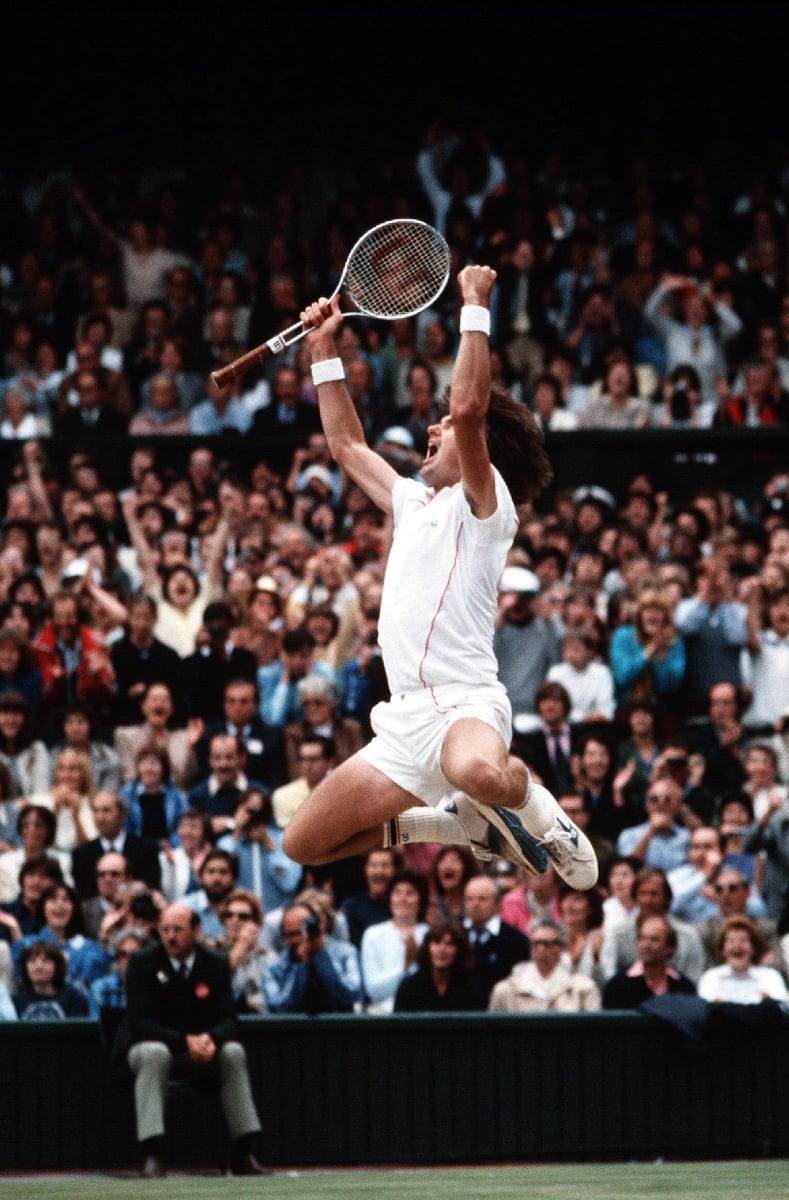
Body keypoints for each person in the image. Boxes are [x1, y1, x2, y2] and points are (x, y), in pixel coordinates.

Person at [282, 266, 597, 895]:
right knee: (304, 843)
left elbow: (468, 406)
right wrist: (323, 350)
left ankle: (536, 807)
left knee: (478, 771)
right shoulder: (410, 502)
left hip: (465, 705)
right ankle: (453, 826)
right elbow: (345, 445)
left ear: (483, 447)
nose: (433, 428)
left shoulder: (488, 503)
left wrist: (474, 304)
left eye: (443, 430)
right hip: (403, 721)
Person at [118, 903, 268, 1178]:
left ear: (196, 930)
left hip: (199, 1052)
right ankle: (151, 1153)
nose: (170, 937)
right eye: (164, 930)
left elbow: (230, 1020)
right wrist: (185, 1040)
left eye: (178, 929)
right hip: (150, 1048)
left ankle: (244, 1151)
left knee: (232, 1051)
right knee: (154, 1053)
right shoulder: (142, 962)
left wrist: (210, 1040)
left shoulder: (216, 964)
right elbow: (138, 1022)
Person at [261, 899, 361, 1014]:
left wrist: (321, 956)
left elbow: (350, 997)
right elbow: (281, 1009)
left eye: (302, 931)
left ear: (319, 927)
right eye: (292, 934)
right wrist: (302, 965)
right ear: (284, 935)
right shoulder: (274, 966)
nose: (301, 938)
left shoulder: (345, 952)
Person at [488, 917, 601, 1013]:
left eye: (548, 944)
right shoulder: (506, 990)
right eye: (536, 943)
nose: (541, 949)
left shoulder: (583, 988)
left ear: (561, 947)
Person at [217, 788, 303, 914]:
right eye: (248, 811)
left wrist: (270, 846)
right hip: (240, 916)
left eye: (258, 811)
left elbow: (289, 884)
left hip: (276, 917)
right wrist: (237, 828)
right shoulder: (228, 843)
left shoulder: (283, 841)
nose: (253, 816)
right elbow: (220, 868)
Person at [360, 869, 430, 1013]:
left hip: (423, 1012)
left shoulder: (429, 933)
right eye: (397, 893)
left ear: (420, 901)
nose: (402, 899)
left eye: (410, 893)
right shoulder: (373, 934)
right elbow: (373, 991)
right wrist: (404, 968)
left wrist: (419, 959)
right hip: (383, 1015)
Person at [71, 790, 161, 900]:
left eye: (106, 810)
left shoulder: (146, 849)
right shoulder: (82, 854)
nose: (100, 817)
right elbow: (84, 897)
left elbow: (152, 889)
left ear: (123, 814)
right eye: (96, 811)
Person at [602, 912, 698, 1009]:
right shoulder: (617, 985)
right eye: (642, 938)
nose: (646, 945)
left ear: (670, 947)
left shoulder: (684, 987)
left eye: (654, 940)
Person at [462, 873, 531, 1002]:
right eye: (469, 899)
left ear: (498, 902)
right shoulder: (453, 935)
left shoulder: (516, 941)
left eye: (482, 899)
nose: (475, 904)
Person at [394, 919, 484, 1012]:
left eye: (449, 944)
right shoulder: (409, 987)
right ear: (428, 947)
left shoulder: (471, 988)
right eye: (436, 942)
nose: (441, 950)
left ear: (460, 950)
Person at [696, 915, 789, 1005]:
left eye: (743, 940)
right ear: (722, 950)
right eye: (731, 941)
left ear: (754, 949)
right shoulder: (711, 978)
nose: (737, 946)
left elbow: (782, 1008)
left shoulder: (770, 977)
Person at [216, 889, 273, 1013]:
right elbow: (214, 984)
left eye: (243, 916)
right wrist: (241, 945)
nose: (234, 920)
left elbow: (270, 1001)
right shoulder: (211, 950)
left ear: (255, 922)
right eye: (229, 915)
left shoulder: (268, 958)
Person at [12, 939, 91, 1020]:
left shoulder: (73, 998)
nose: (39, 967)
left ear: (57, 966)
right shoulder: (17, 1000)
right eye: (32, 961)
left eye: (46, 961)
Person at [341, 846, 402, 948]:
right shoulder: (352, 907)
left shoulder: (402, 906)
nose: (379, 871)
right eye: (373, 866)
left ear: (396, 871)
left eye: (385, 866)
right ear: (365, 869)